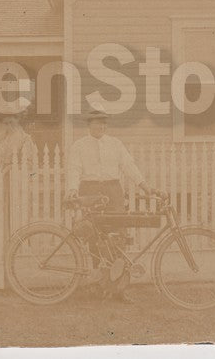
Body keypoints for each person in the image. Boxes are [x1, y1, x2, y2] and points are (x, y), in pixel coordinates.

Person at [66, 106, 160, 302]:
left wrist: (145, 186)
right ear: (89, 125)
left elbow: (129, 166)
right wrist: (73, 189)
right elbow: (74, 169)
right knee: (95, 239)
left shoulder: (116, 144)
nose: (100, 126)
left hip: (113, 192)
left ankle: (119, 289)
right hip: (90, 191)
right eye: (96, 123)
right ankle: (98, 286)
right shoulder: (79, 146)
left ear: (106, 125)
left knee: (118, 238)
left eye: (103, 123)